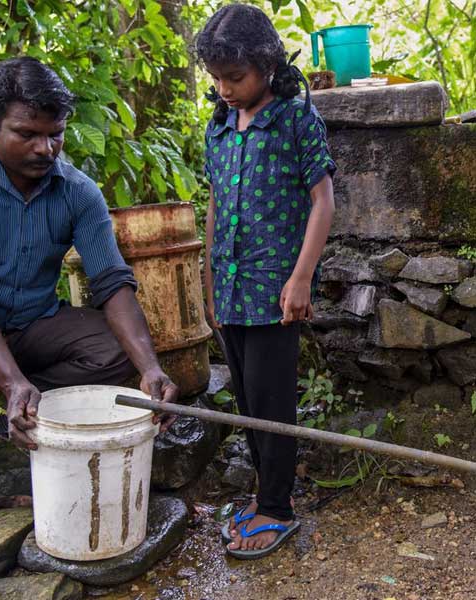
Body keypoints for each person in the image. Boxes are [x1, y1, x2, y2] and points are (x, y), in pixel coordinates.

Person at [0, 56, 178, 492]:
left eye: (56, 135)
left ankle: (26, 402)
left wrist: (151, 369)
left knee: (117, 352)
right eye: (27, 134)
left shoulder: (79, 192)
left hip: (31, 321)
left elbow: (111, 281)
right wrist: (11, 381)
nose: (45, 149)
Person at [196, 4, 336, 559]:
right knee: (249, 399)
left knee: (273, 402)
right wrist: (208, 282)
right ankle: (262, 495)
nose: (226, 89)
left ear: (268, 66)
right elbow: (213, 203)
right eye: (217, 79)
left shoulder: (297, 119)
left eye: (236, 78)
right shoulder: (220, 127)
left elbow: (322, 199)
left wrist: (301, 278)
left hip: (275, 291)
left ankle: (277, 508)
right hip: (230, 291)